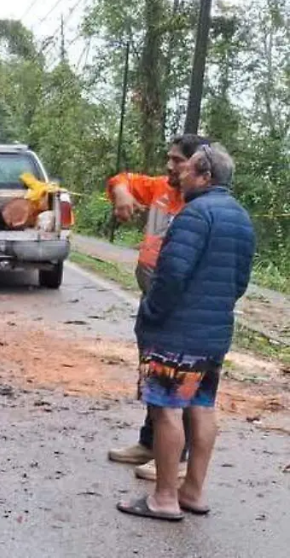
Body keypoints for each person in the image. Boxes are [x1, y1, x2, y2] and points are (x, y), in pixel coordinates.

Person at [117, 143, 254, 522]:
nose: (180, 174)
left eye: (188, 170)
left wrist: (152, 312)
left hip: (177, 333)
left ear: (205, 177)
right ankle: (192, 490)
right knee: (202, 407)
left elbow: (171, 274)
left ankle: (164, 497)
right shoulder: (241, 217)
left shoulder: (194, 214)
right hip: (214, 334)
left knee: (166, 410)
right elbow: (240, 281)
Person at [106, 134, 211, 481]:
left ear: (198, 165)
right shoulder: (159, 189)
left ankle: (175, 458)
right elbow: (121, 179)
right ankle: (150, 443)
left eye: (178, 160)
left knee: (177, 382)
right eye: (169, 158)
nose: (170, 165)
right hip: (152, 300)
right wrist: (122, 193)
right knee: (152, 377)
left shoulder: (202, 205)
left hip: (179, 307)